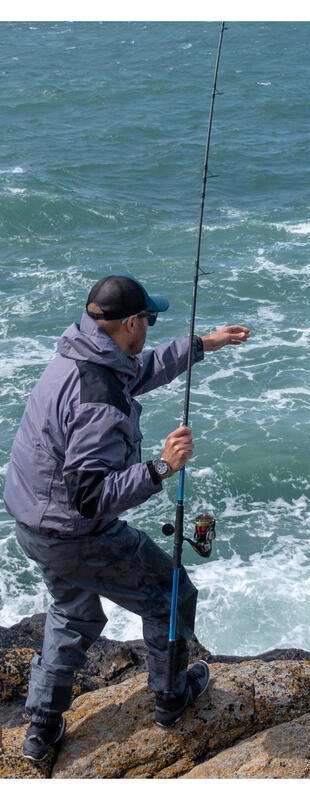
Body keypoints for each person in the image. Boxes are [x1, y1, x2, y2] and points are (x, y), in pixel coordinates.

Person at [3, 274, 250, 762]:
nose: (151, 329)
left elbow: (143, 368)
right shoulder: (100, 399)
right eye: (150, 320)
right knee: (170, 593)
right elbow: (92, 497)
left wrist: (205, 344)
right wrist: (161, 467)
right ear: (131, 322)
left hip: (34, 525)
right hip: (76, 531)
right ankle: (172, 700)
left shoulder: (81, 356)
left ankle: (40, 729)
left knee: (72, 612)